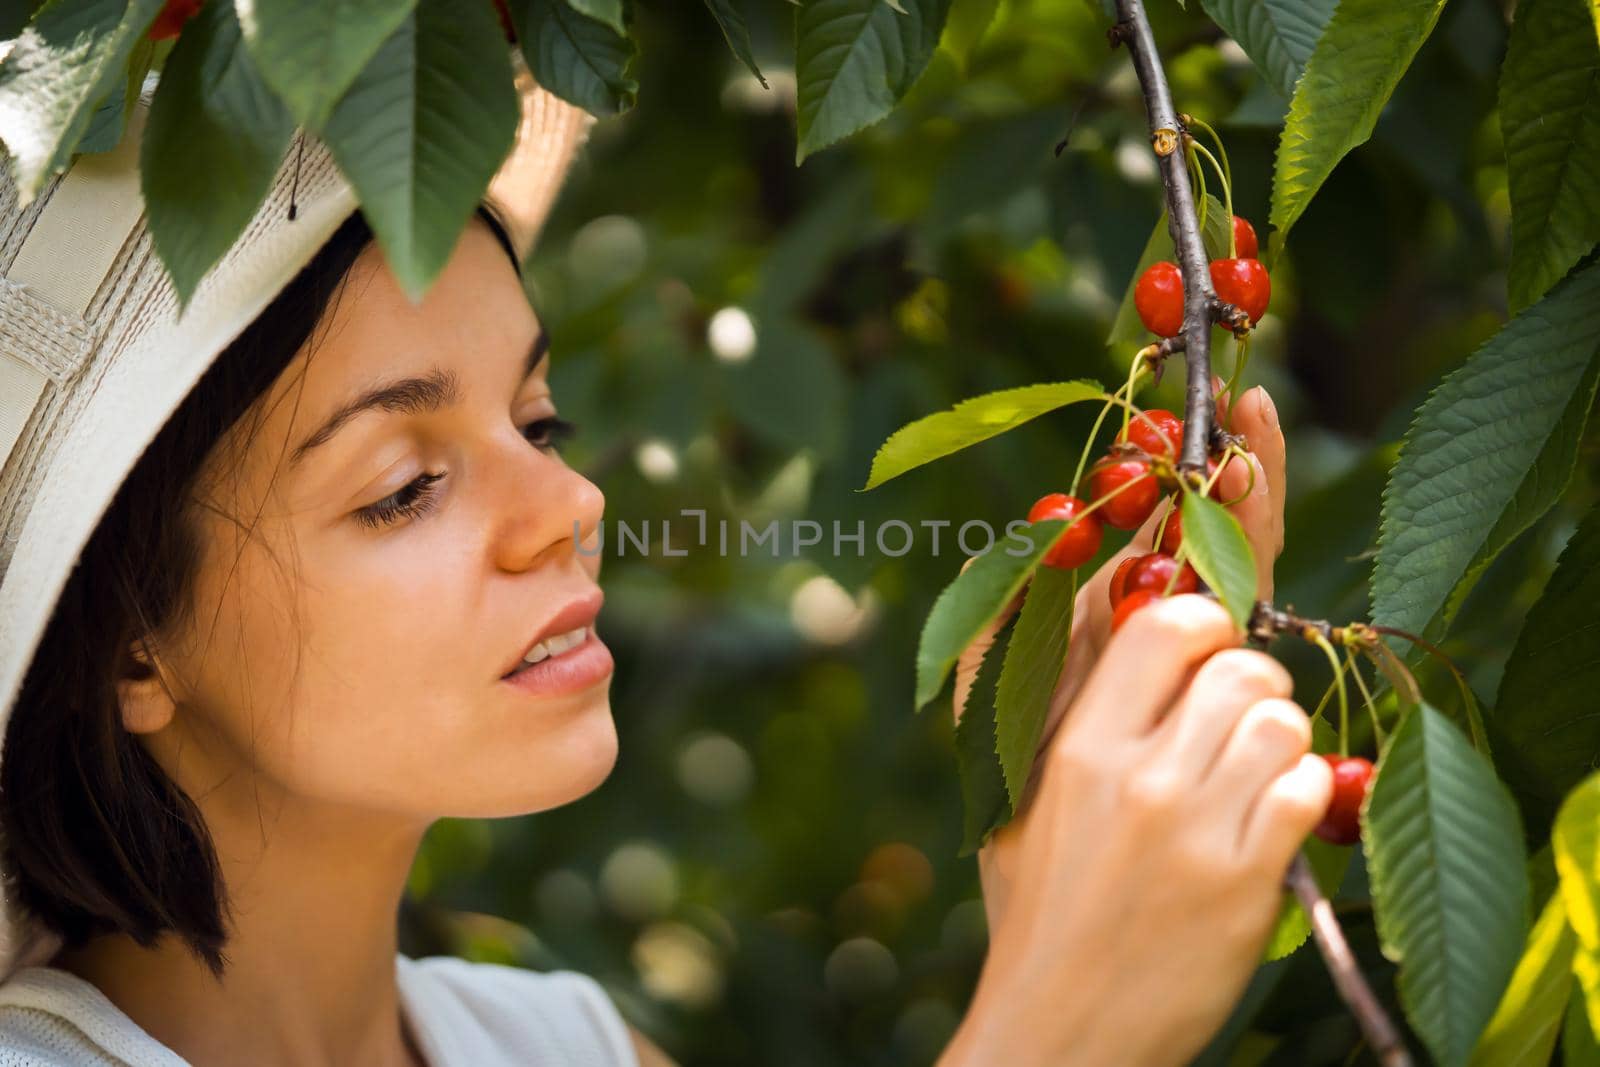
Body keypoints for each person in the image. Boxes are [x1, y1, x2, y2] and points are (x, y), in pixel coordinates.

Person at [0, 57, 1330, 1067]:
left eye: (537, 420)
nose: (568, 501)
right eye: (404, 489)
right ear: (128, 643)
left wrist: (1053, 858)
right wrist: (1057, 1026)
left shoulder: (559, 1043)